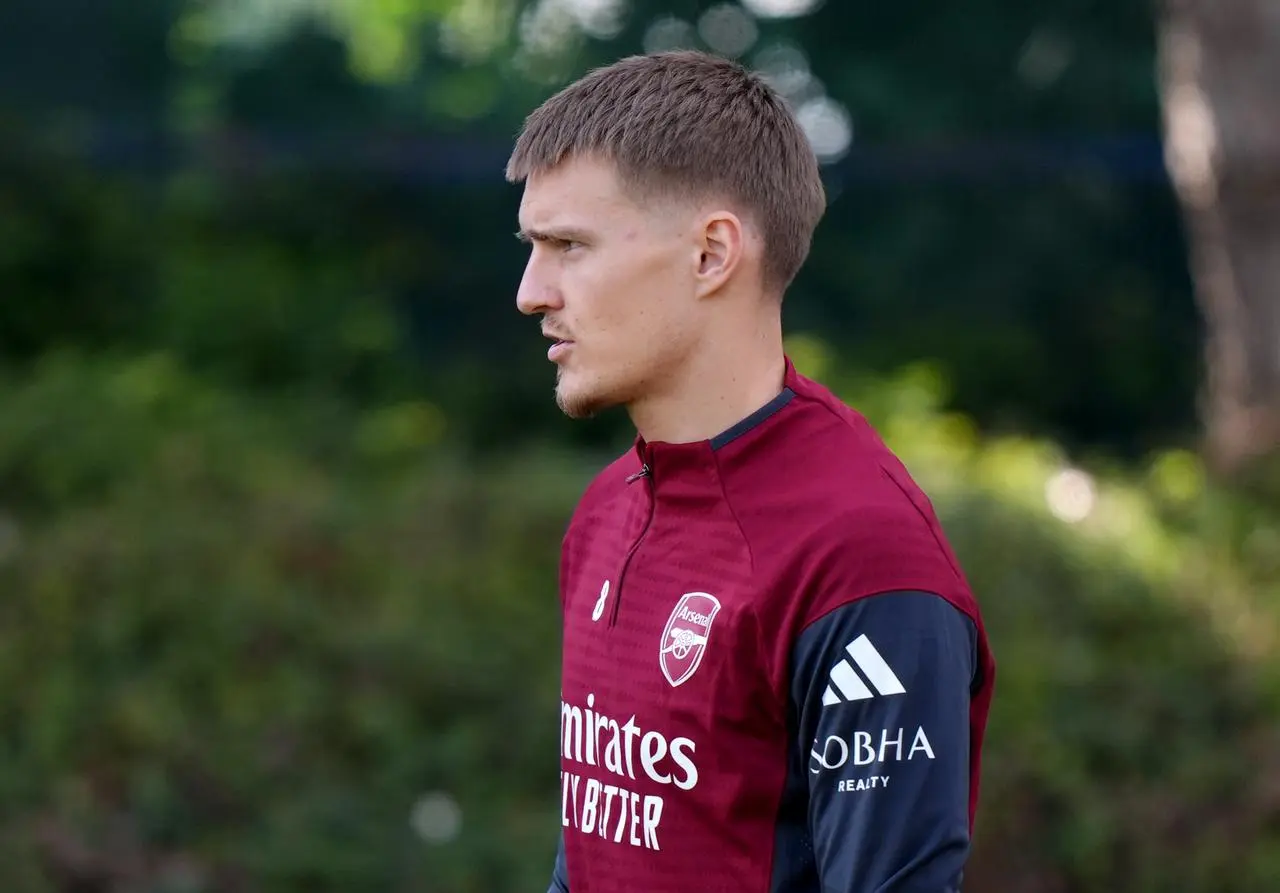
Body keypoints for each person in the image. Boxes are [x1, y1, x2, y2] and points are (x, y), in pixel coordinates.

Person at [506, 49, 996, 893]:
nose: (530, 290)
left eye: (567, 246)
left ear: (711, 254)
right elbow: (591, 858)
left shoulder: (861, 558)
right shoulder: (605, 512)